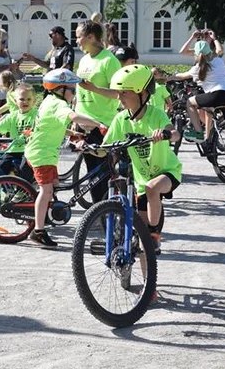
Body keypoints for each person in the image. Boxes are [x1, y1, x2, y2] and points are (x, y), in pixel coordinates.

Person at [105, 65, 182, 250]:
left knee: (152, 188)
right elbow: (106, 145)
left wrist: (165, 133)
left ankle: (155, 233)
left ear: (142, 93)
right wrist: (85, 146)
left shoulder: (156, 114)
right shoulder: (121, 119)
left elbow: (175, 134)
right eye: (119, 92)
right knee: (141, 242)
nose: (119, 97)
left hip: (167, 172)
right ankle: (148, 277)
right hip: (141, 181)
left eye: (124, 93)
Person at [22, 68, 99, 247]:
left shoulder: (50, 100)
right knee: (46, 191)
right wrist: (98, 124)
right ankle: (38, 231)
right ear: (61, 89)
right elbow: (73, 116)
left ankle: (44, 214)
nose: (74, 94)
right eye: (72, 90)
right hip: (42, 154)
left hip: (44, 152)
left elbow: (53, 125)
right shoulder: (59, 104)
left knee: (54, 186)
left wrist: (73, 133)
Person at [73, 18, 122, 202]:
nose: (76, 40)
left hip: (101, 122)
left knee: (102, 171)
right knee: (91, 170)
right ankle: (98, 210)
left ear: (91, 37)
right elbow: (79, 89)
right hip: (82, 121)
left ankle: (106, 212)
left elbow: (119, 93)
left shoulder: (109, 61)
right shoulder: (85, 59)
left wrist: (95, 89)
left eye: (79, 37)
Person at [169, 31, 225, 150]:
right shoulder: (218, 60)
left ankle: (199, 133)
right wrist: (214, 38)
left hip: (216, 94)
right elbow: (219, 51)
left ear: (196, 53)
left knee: (190, 102)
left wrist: (167, 78)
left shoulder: (198, 67)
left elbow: (181, 76)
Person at [0, 83, 37, 182]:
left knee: (25, 169)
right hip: (13, 150)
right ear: (15, 102)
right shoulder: (12, 117)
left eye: (29, 99)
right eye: (22, 99)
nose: (25, 102)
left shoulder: (36, 115)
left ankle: (23, 191)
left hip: (29, 150)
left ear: (34, 101)